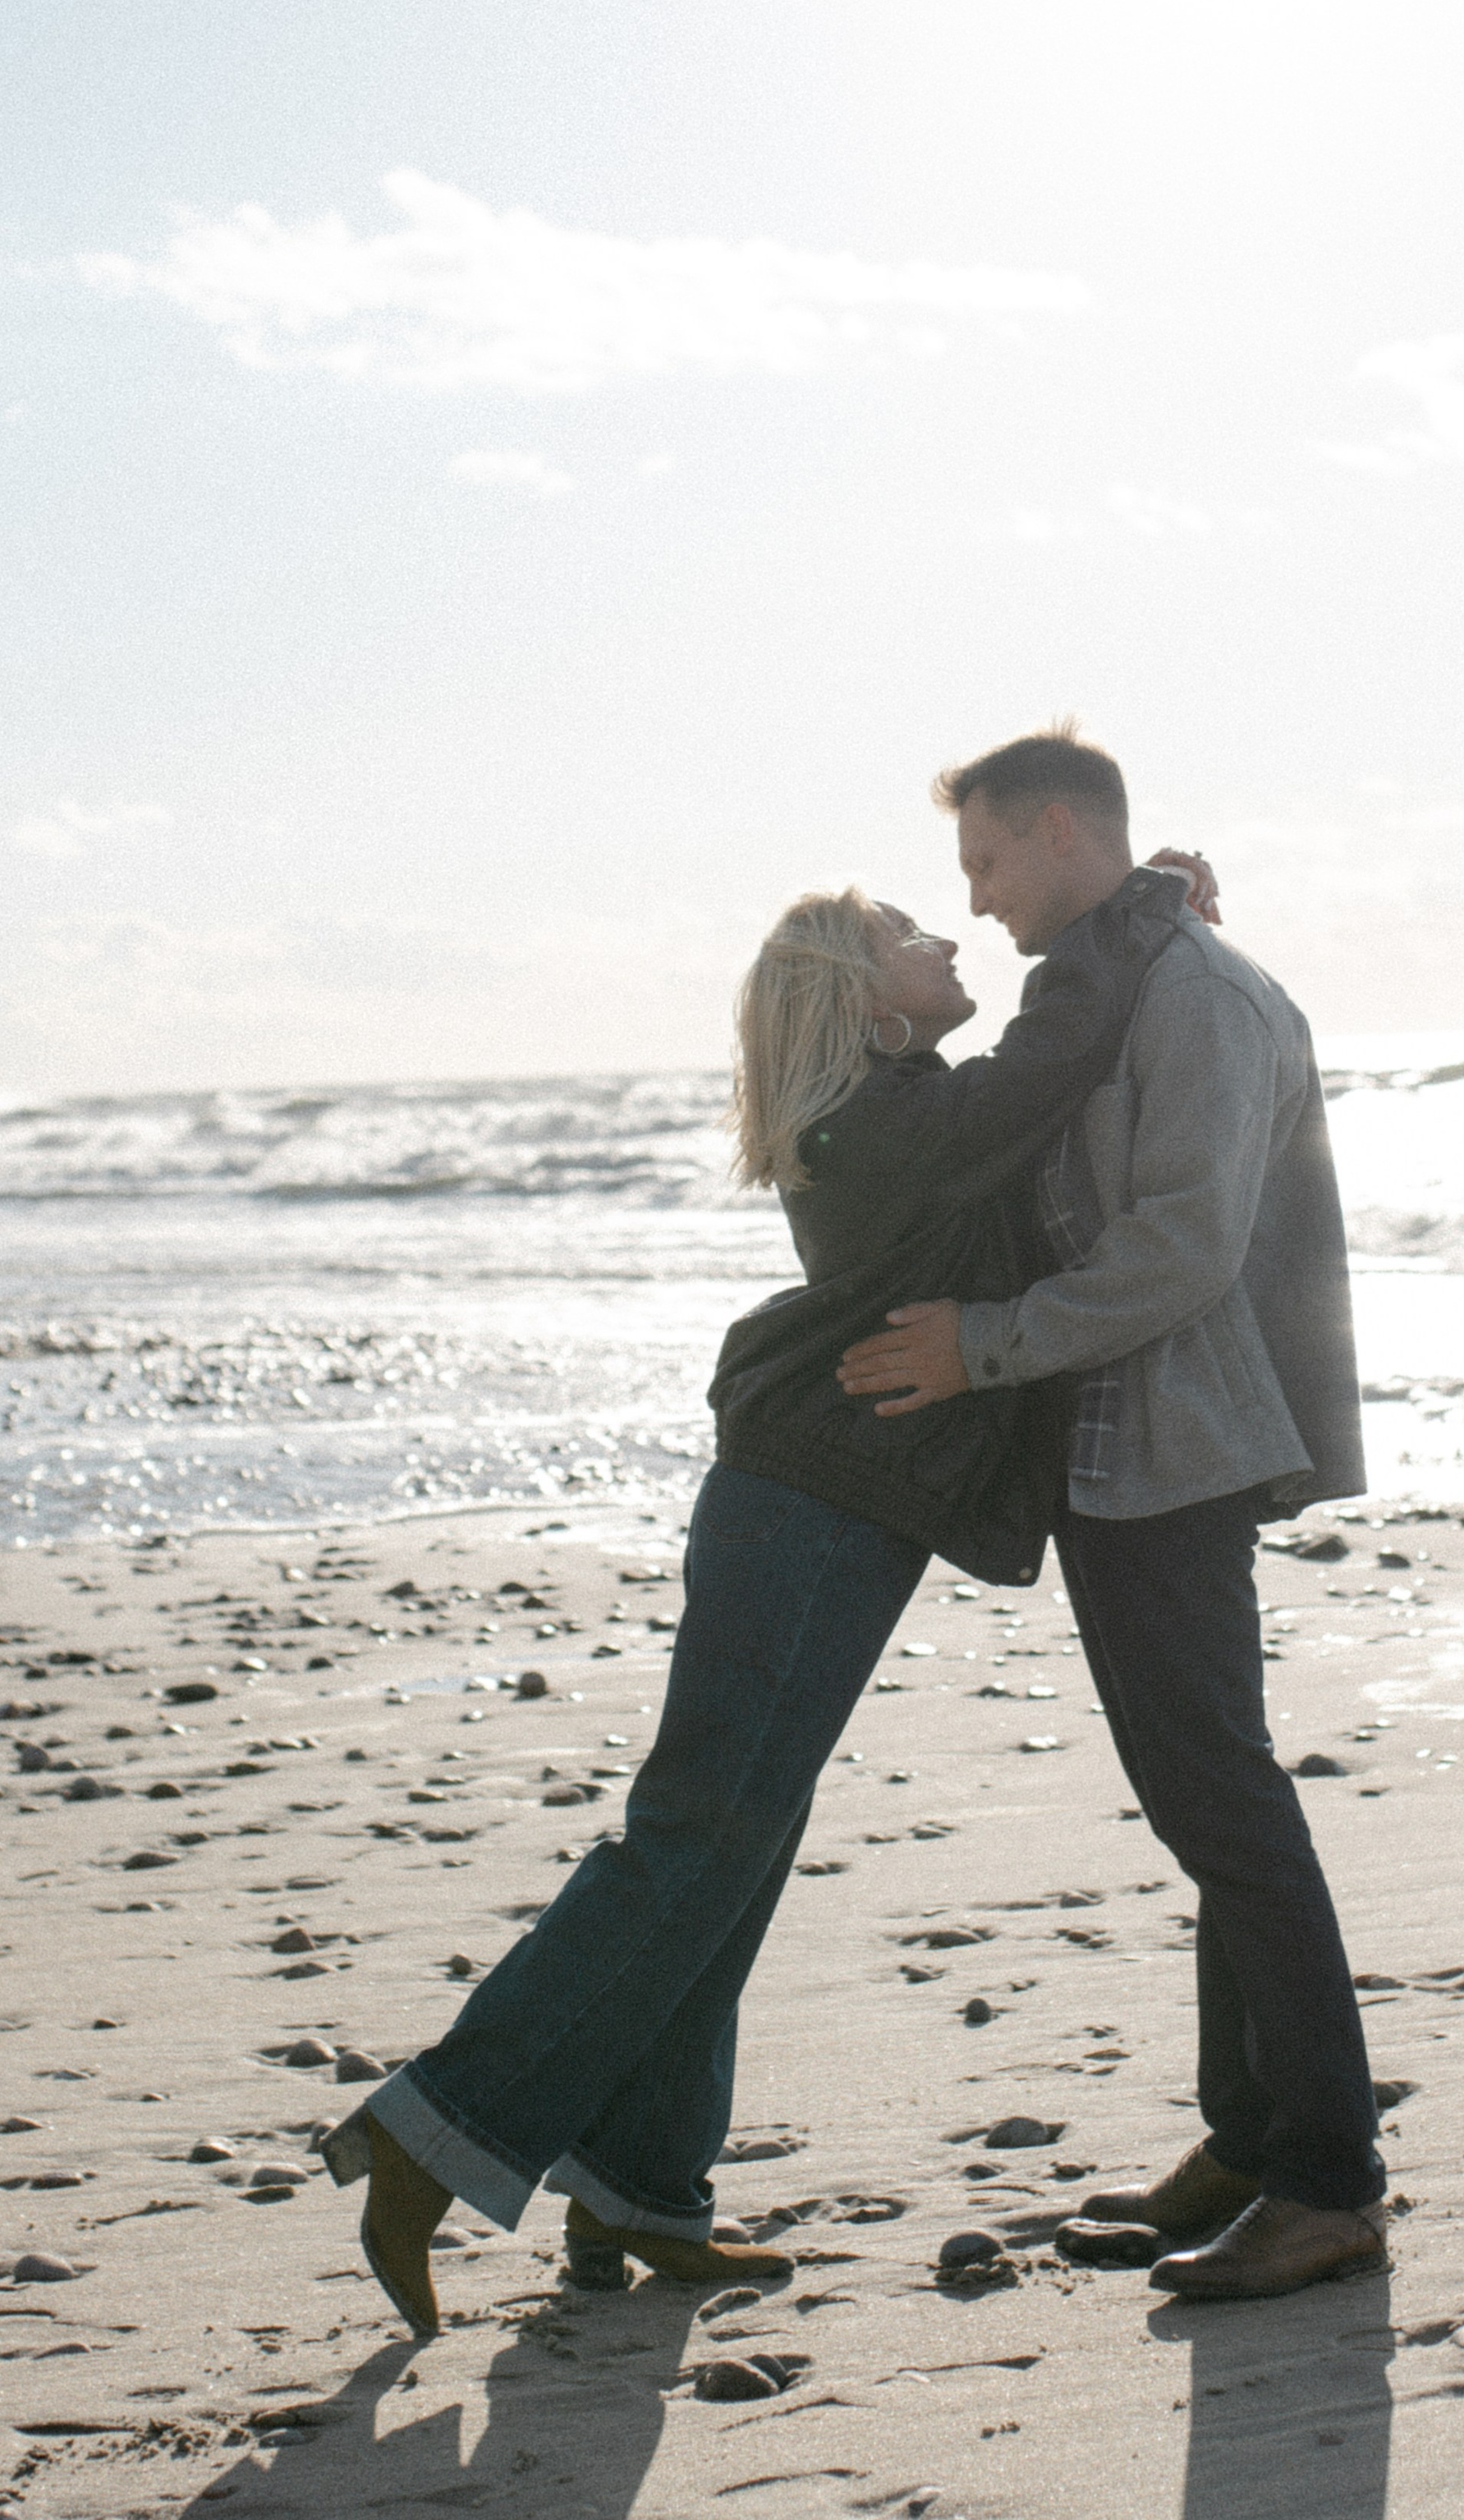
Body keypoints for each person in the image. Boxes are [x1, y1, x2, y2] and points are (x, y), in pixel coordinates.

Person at [319, 854, 1200, 2339]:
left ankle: (643, 2192)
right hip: (805, 1511)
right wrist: (1138, 915)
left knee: (738, 1840)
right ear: (859, 997)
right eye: (907, 933)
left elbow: (1024, 1083)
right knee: (696, 1836)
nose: (943, 933)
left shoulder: (885, 1118)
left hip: (829, 1512)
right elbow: (1049, 1061)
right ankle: (429, 2134)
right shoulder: (878, 1125)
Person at [838, 726, 1388, 2302]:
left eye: (988, 862)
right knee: (1204, 1802)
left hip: (1180, 1452)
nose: (984, 900)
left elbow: (1181, 1250)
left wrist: (982, 1346)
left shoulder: (1200, 995)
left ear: (1064, 828)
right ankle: (1248, 2139)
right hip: (1118, 1448)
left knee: (1229, 1808)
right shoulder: (1126, 977)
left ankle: (1331, 2180)